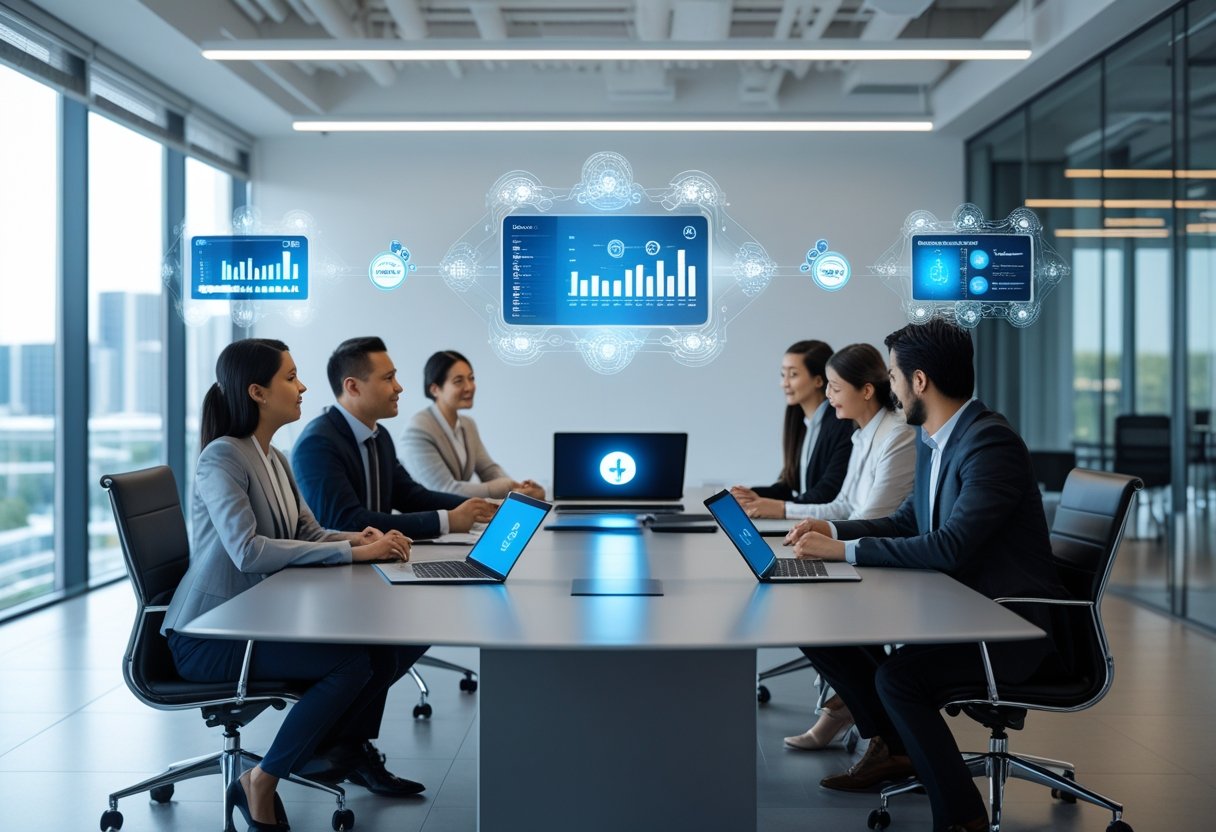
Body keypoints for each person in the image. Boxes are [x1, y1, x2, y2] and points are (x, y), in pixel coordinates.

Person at [784, 320, 1068, 832]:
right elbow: (906, 523)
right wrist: (831, 529)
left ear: (919, 381)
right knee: (836, 635)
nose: (890, 389)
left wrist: (844, 550)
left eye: (893, 377)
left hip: (1008, 628)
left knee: (899, 679)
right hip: (961, 609)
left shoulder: (989, 444)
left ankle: (961, 818)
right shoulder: (934, 439)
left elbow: (951, 546)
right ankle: (896, 751)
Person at [162, 339, 428, 832]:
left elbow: (308, 533)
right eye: (290, 377)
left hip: (254, 620)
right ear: (257, 392)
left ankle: (334, 751)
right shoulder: (223, 457)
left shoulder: (275, 457)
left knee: (387, 649)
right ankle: (263, 780)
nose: (302, 387)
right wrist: (353, 553)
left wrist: (360, 538)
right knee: (352, 663)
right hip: (209, 634)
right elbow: (248, 551)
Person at [734, 343, 916, 751]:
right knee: (807, 612)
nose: (829, 397)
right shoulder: (863, 434)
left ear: (865, 391)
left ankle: (882, 730)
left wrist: (825, 534)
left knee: (812, 621)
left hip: (884, 561)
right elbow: (844, 505)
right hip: (861, 551)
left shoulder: (898, 434)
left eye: (834, 387)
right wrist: (817, 526)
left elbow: (872, 515)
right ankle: (867, 718)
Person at [293, 337, 497, 541]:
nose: (398, 387)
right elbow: (345, 522)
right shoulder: (317, 444)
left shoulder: (380, 436)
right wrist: (447, 521)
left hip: (381, 555)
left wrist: (480, 507)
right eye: (388, 378)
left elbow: (411, 496)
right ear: (353, 387)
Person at [400, 349, 544, 500]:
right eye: (459, 381)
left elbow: (489, 469)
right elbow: (445, 490)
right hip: (431, 514)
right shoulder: (418, 430)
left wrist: (519, 489)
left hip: (460, 511)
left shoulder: (467, 424)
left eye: (471, 378)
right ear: (435, 389)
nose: (469, 387)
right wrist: (508, 487)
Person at [730, 339, 854, 510]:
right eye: (783, 375)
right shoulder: (801, 423)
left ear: (819, 380)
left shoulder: (841, 425)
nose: (784, 383)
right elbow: (789, 486)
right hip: (805, 517)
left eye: (793, 374)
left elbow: (827, 492)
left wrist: (777, 507)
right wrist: (749, 495)